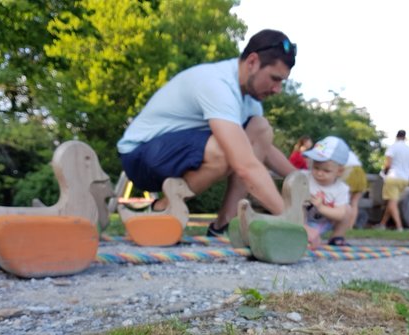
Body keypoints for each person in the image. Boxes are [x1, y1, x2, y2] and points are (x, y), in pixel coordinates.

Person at [116, 29, 298, 236]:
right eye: (274, 79)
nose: (277, 89)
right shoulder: (218, 84)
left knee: (260, 128)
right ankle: (161, 209)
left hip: (166, 153)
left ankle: (224, 226)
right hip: (138, 156)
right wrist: (290, 219)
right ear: (252, 62)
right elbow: (245, 165)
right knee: (226, 150)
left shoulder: (249, 99)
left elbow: (264, 149)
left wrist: (306, 181)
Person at [301, 136, 351, 248]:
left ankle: (337, 237)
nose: (319, 173)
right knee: (297, 201)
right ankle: (301, 233)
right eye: (316, 168)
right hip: (302, 221)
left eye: (326, 170)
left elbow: (340, 214)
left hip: (324, 223)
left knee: (347, 209)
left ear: (339, 171)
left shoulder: (341, 188)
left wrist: (320, 207)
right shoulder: (304, 177)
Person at [376, 130, 409, 231]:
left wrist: (384, 173)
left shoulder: (393, 147)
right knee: (392, 202)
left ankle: (399, 226)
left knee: (392, 202)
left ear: (396, 136)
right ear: (405, 137)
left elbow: (388, 164)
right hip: (405, 179)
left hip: (393, 177)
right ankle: (382, 224)